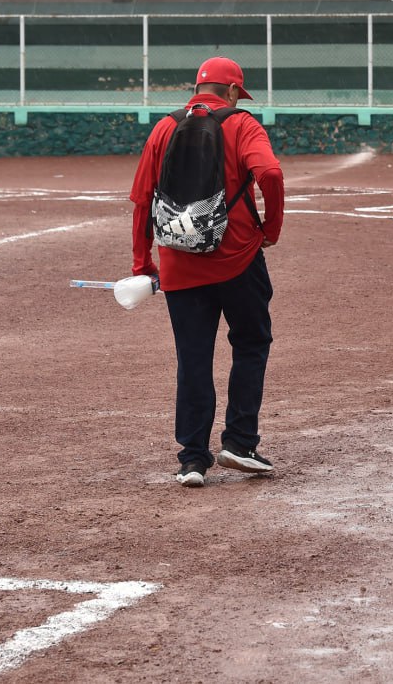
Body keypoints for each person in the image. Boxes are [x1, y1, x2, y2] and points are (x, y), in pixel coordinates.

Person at [129, 56, 285, 488]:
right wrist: (269, 228)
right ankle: (239, 442)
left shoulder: (164, 127)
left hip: (179, 262)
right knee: (251, 343)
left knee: (193, 358)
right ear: (232, 91)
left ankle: (192, 460)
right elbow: (269, 172)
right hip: (238, 258)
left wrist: (144, 265)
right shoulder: (243, 125)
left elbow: (143, 201)